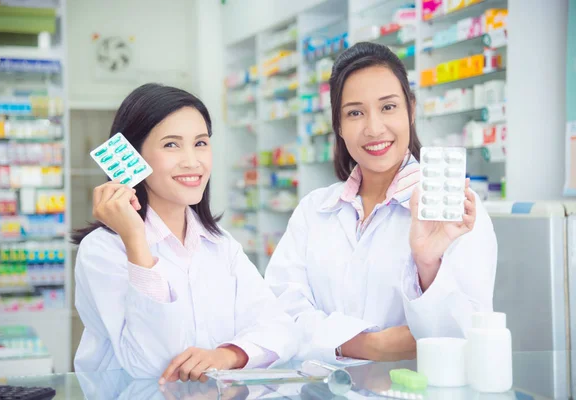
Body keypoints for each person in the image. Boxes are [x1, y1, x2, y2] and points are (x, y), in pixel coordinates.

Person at [264, 42, 497, 364]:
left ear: (410, 110)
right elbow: (280, 315)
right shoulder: (314, 210)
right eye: (355, 113)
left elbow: (466, 335)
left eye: (388, 107)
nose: (374, 129)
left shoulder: (454, 209)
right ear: (339, 126)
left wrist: (428, 265)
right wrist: (370, 346)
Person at [72, 83, 298, 382]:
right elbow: (149, 365)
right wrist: (136, 241)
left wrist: (228, 354)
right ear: (132, 155)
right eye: (171, 144)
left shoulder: (221, 245)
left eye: (201, 143)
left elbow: (281, 330)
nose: (192, 161)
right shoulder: (102, 250)